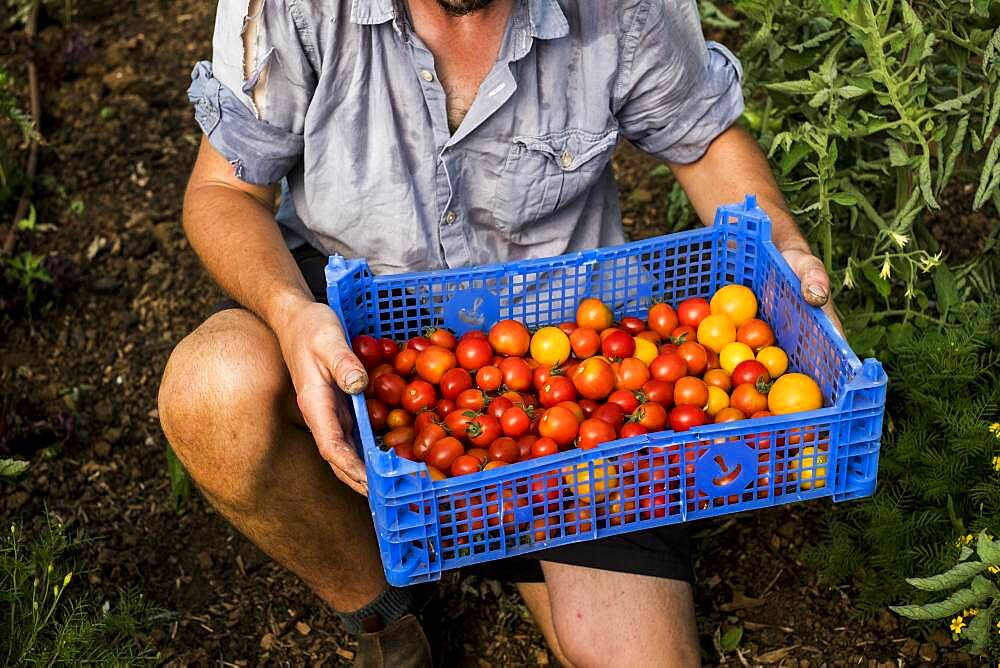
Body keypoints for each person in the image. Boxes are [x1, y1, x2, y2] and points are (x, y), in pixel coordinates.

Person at [158, 0, 837, 665]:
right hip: (364, 333)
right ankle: (382, 612)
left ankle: (500, 529)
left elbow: (707, 139)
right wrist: (289, 311)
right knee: (214, 389)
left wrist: (786, 248)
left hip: (567, 361)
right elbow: (224, 191)